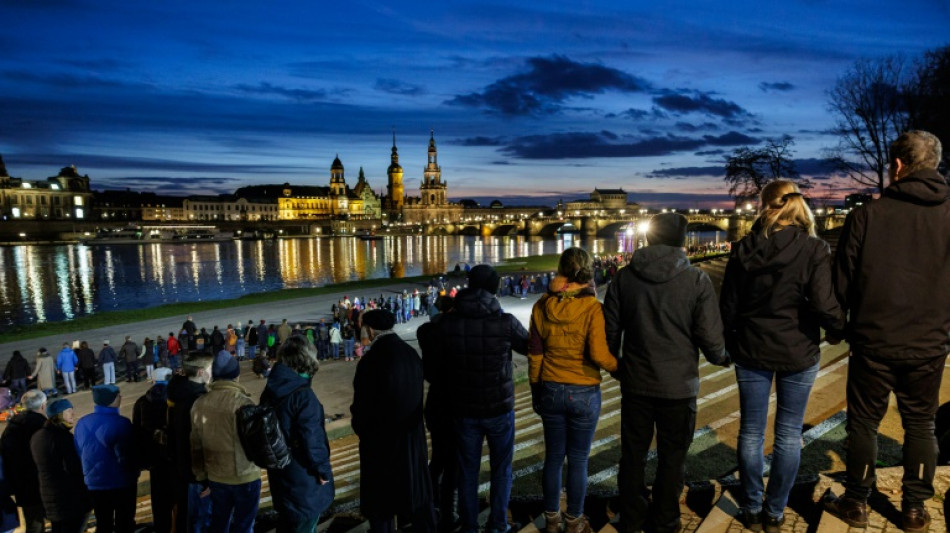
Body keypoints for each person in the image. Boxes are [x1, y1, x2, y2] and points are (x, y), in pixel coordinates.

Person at [825, 131, 950, 533]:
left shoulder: (867, 215)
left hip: (874, 340)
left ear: (897, 166)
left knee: (864, 423)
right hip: (929, 343)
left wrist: (838, 328)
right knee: (921, 424)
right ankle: (914, 510)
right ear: (934, 165)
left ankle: (857, 502)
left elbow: (840, 281)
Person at [719, 181, 845, 532]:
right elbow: (823, 302)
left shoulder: (743, 248)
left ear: (765, 206)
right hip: (797, 349)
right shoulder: (813, 248)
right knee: (789, 434)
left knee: (751, 431)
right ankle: (775, 512)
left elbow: (728, 304)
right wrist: (838, 328)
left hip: (751, 348)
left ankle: (751, 506)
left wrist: (730, 342)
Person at [604, 213, 731, 533]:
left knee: (633, 454)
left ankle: (632, 517)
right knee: (672, 457)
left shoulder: (623, 278)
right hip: (678, 385)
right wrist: (723, 358)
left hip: (637, 383)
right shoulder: (697, 280)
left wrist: (621, 369)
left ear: (649, 238)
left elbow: (609, 335)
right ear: (681, 241)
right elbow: (710, 337)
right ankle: (665, 519)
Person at [422, 265, 529, 533]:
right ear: (493, 289)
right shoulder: (505, 322)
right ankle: (498, 524)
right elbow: (531, 347)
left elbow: (432, 358)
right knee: (501, 470)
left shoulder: (448, 324)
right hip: (499, 408)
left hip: (463, 409)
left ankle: (469, 526)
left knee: (467, 471)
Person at [528, 248, 619, 533]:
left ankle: (552, 518)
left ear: (562, 270)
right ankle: (574, 520)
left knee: (554, 458)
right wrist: (620, 369)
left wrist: (535, 388)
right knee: (578, 459)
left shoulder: (542, 305)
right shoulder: (592, 308)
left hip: (551, 388)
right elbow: (599, 354)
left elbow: (535, 355)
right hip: (584, 390)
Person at [351, 310, 436, 533]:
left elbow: (361, 409)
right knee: (417, 499)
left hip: (382, 446)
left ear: (369, 329)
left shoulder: (371, 361)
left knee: (383, 508)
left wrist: (362, 430)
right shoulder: (410, 354)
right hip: (411, 441)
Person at [261, 336, 334, 532]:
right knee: (303, 524)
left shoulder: (270, 389)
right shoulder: (303, 396)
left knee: (287, 522)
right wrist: (323, 471)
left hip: (280, 473)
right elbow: (313, 440)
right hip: (303, 478)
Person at [191, 351, 262, 532]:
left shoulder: (199, 404)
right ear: (236, 376)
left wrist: (201, 477)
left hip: (216, 476)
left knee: (219, 523)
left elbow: (195, 446)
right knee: (244, 525)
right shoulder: (244, 403)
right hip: (245, 476)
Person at [74, 384, 139, 533]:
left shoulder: (82, 422)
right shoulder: (121, 423)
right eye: (118, 395)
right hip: (122, 483)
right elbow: (127, 456)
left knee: (103, 522)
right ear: (112, 399)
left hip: (95, 484)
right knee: (125, 522)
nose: (121, 398)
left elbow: (79, 450)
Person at [166, 353, 214, 533]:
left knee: (185, 519)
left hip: (180, 471)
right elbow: (201, 442)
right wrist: (209, 478)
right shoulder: (199, 400)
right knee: (200, 522)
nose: (212, 373)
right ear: (201, 372)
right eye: (210, 369)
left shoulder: (178, 393)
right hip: (197, 475)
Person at [31, 398, 92, 533]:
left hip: (50, 498)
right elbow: (73, 469)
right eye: (69, 411)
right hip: (69, 500)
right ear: (59, 415)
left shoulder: (37, 436)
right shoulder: (62, 438)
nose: (73, 414)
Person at [133, 367, 175, 533]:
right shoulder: (177, 398)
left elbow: (137, 434)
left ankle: (162, 528)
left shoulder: (142, 402)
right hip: (176, 459)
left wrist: (144, 460)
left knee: (160, 501)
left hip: (155, 462)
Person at [0, 390, 47, 533]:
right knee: (38, 524)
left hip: (21, 486)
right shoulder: (42, 426)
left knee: (33, 521)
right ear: (43, 406)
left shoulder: (11, 427)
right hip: (41, 483)